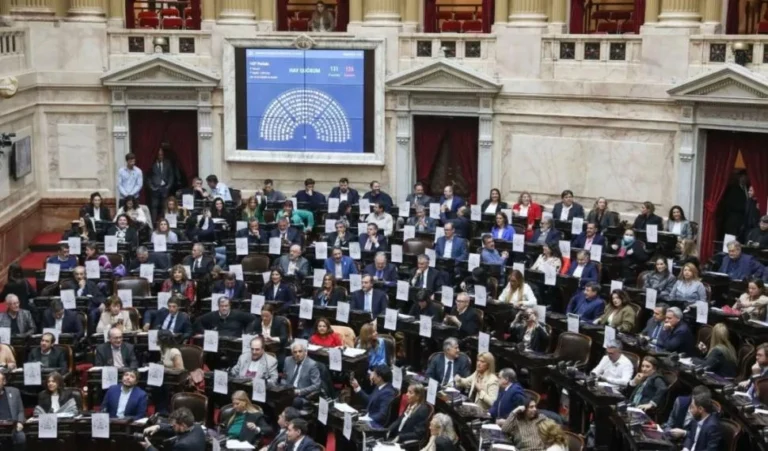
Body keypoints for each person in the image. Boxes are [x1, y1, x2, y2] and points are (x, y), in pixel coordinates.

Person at [141, 407, 205, 451]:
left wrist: (149, 447)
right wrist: (158, 427)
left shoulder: (182, 445)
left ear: (183, 425)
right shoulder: (197, 427)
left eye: (174, 425)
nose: (172, 426)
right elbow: (173, 428)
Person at [282, 341, 322, 407]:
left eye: (300, 351)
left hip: (301, 394)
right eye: (295, 352)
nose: (297, 354)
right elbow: (284, 377)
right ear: (292, 353)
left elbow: (316, 385)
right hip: (288, 390)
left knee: (294, 401)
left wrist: (299, 391)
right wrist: (284, 387)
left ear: (305, 352)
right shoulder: (287, 360)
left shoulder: (312, 364)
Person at [0, 372, 25, 450]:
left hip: (12, 426)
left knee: (21, 437)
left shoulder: (14, 392)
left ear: (4, 382)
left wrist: (20, 422)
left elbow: (21, 410)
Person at [148, 148, 174, 222]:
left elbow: (171, 175)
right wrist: (151, 187)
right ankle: (153, 225)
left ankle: (164, 223)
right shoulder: (151, 163)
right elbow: (148, 176)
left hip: (165, 188)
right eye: (159, 155)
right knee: (154, 207)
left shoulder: (168, 163)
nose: (160, 156)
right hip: (155, 189)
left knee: (164, 207)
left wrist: (168, 186)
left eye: (162, 155)